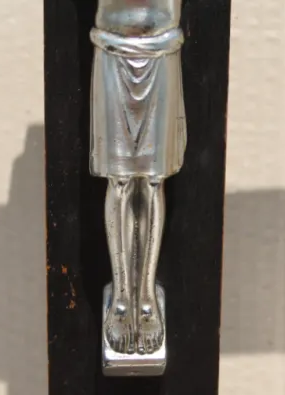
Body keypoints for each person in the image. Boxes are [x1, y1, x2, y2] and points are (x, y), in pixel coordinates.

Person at [90, 0, 186, 355]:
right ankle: (121, 297)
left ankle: (145, 297)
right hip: (112, 50)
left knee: (152, 181)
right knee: (119, 182)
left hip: (161, 50)